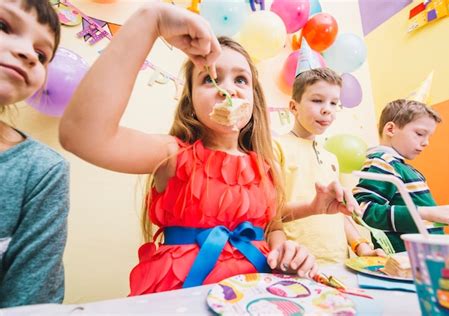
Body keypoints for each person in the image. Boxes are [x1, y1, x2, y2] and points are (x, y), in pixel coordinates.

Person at [58, 2, 354, 295]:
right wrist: (151, 20)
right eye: (210, 78)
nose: (228, 89)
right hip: (184, 295)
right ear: (191, 101)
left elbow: (270, 224)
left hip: (256, 296)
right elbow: (83, 135)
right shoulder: (172, 155)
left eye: (240, 79)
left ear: (254, 99)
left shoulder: (264, 165)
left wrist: (285, 250)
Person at [274, 40, 385, 264]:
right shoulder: (277, 147)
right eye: (317, 100)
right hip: (298, 262)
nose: (327, 109)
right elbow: (271, 213)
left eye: (334, 103)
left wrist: (361, 247)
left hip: (340, 263)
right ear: (294, 107)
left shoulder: (329, 157)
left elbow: (337, 211)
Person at [0, 0, 69, 307]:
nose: (29, 53)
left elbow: (32, 301)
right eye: (3, 26)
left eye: (42, 55)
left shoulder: (43, 169)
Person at [353, 99, 449, 252]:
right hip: (404, 261)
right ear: (390, 129)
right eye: (420, 134)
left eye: (429, 136)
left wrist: (439, 218)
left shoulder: (402, 167)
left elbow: (418, 221)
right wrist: (427, 212)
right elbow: (363, 210)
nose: (426, 143)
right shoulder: (382, 161)